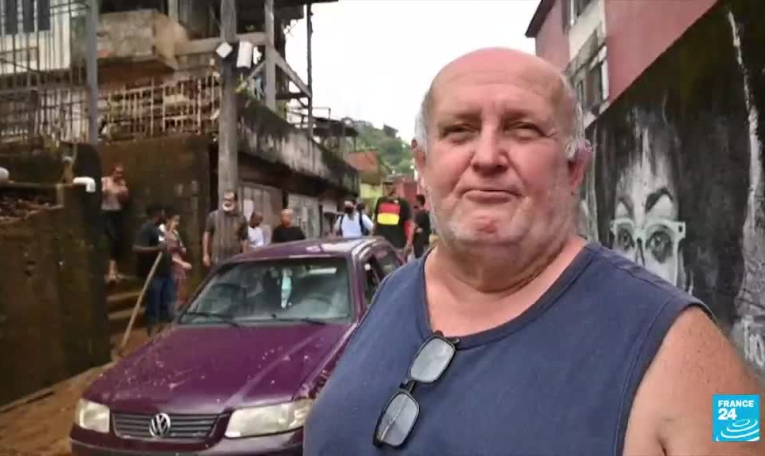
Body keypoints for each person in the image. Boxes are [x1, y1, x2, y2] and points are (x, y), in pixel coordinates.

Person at [303, 48, 765, 455]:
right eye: (459, 131)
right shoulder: (391, 291)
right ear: (422, 164)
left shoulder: (690, 352)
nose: (487, 157)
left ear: (574, 167)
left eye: (522, 130)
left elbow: (742, 432)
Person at [132, 205, 174, 336]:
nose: (165, 214)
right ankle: (153, 329)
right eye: (163, 212)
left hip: (165, 272)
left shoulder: (159, 229)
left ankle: (164, 329)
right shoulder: (146, 229)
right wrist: (156, 249)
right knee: (154, 303)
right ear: (158, 213)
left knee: (167, 302)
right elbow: (136, 248)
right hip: (155, 274)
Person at [202, 190, 248, 268]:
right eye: (225, 199)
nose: (227, 202)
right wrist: (205, 254)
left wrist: (245, 257)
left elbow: (245, 239)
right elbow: (207, 234)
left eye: (230, 200)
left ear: (236, 202)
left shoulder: (241, 218)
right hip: (217, 259)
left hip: (234, 258)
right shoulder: (214, 216)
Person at [102, 163, 129, 283]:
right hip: (106, 213)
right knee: (113, 238)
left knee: (119, 240)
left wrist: (123, 194)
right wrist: (108, 190)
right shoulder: (105, 181)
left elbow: (124, 201)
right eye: (117, 172)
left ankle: (115, 270)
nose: (119, 175)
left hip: (117, 212)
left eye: (121, 173)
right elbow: (100, 195)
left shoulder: (122, 183)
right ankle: (111, 271)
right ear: (112, 172)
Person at [372, 177, 413, 257]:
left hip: (397, 244)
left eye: (390, 184)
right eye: (385, 184)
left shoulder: (403, 203)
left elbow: (409, 224)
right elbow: (376, 222)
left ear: (395, 186)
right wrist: (371, 237)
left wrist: (409, 243)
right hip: (381, 243)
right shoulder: (380, 201)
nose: (387, 186)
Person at [162, 209, 192, 311]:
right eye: (175, 221)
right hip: (171, 263)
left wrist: (182, 248)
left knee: (182, 286)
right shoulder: (163, 234)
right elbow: (167, 253)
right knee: (173, 289)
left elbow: (182, 247)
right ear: (168, 220)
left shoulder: (175, 233)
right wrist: (181, 263)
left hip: (179, 261)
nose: (177, 223)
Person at [412, 194, 431, 258]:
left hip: (420, 243)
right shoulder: (423, 213)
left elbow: (414, 228)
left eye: (414, 201)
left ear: (419, 202)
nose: (413, 203)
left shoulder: (421, 214)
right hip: (422, 242)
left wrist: (408, 242)